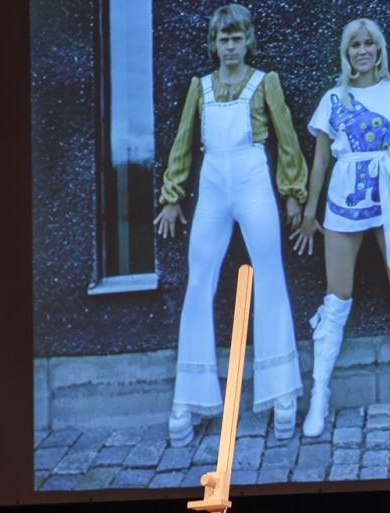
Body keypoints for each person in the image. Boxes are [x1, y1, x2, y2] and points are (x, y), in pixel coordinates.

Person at [156, 4, 307, 447]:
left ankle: (282, 392)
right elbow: (183, 143)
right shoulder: (200, 87)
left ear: (248, 41)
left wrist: (293, 192)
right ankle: (187, 398)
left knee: (270, 278)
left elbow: (288, 139)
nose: (230, 46)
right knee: (198, 282)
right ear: (214, 44)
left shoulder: (264, 82)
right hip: (213, 188)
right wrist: (171, 197)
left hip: (253, 182)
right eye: (224, 39)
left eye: (237, 38)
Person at [293, 17, 390, 437]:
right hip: (344, 196)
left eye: (368, 43)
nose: (362, 50)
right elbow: (321, 159)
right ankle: (319, 396)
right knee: (336, 295)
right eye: (354, 45)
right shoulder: (332, 98)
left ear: (379, 50)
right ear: (346, 52)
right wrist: (310, 212)